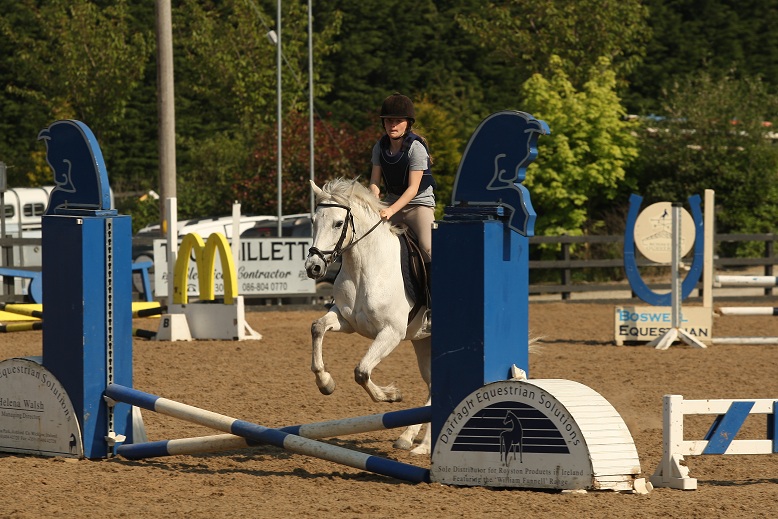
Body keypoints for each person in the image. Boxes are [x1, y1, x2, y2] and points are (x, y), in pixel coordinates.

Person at [369, 93, 436, 333]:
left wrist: (389, 210)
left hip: (418, 205)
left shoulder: (416, 147)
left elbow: (412, 189)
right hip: (391, 203)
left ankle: (433, 307)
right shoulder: (380, 146)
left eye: (397, 121)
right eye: (388, 121)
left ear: (408, 123)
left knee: (429, 247)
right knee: (364, 235)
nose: (392, 125)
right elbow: (375, 182)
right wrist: (372, 201)